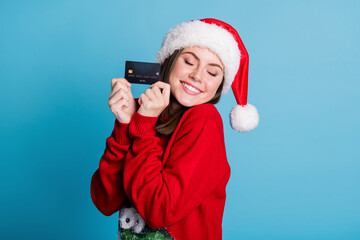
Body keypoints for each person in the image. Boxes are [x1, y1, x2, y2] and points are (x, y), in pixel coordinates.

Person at [91, 18, 259, 240]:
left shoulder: (204, 119)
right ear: (169, 60)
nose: (197, 75)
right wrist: (125, 125)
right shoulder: (147, 115)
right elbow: (105, 201)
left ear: (220, 85)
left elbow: (158, 211)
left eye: (212, 72)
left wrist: (142, 127)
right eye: (189, 61)